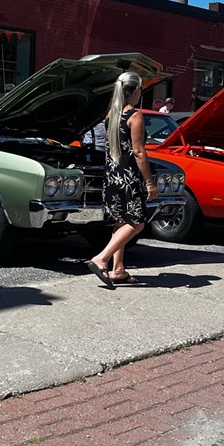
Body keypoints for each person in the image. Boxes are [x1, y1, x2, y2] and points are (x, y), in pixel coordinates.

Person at [85, 71, 158, 288]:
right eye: (140, 90)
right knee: (137, 222)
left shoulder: (111, 114)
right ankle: (102, 258)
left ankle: (118, 270)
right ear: (135, 91)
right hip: (128, 177)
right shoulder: (134, 115)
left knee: (121, 222)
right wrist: (149, 183)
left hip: (112, 176)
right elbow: (139, 152)